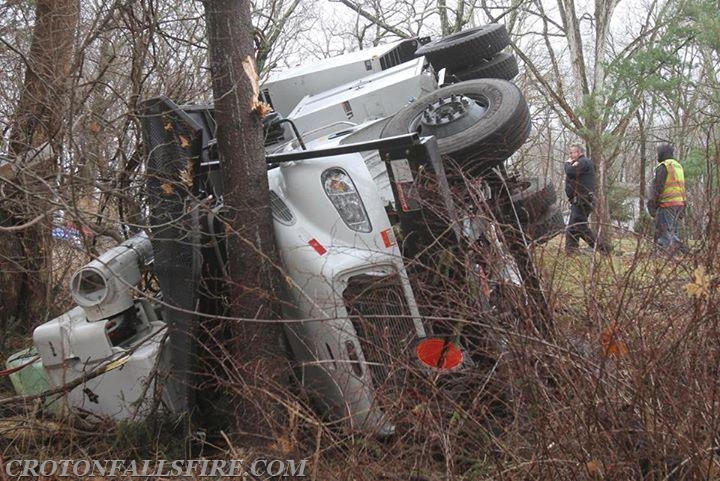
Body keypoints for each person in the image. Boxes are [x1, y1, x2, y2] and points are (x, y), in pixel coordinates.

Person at [564, 143, 611, 255]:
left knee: (579, 226)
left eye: (572, 152)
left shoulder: (583, 162)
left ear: (579, 152)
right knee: (572, 227)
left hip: (583, 201)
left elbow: (570, 171)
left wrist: (567, 164)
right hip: (578, 201)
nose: (570, 155)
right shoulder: (579, 163)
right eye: (570, 153)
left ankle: (603, 248)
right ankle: (571, 251)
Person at [647, 143, 689, 254]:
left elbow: (658, 187)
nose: (657, 156)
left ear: (663, 153)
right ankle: (680, 252)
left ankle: (667, 255)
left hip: (667, 204)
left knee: (664, 232)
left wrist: (653, 204)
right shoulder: (678, 166)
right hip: (679, 204)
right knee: (673, 232)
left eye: (658, 153)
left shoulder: (664, 166)